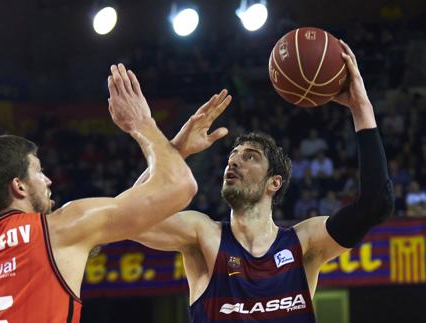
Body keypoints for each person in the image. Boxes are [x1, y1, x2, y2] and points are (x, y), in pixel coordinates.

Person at [132, 41, 394, 322]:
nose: (233, 161)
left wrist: (361, 106)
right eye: (232, 156)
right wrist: (176, 151)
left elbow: (376, 203)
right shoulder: (203, 236)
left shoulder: (303, 244)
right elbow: (130, 217)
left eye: (250, 157)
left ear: (274, 183)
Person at [0, 64, 198, 323]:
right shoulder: (60, 229)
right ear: (19, 186)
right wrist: (142, 124)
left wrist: (171, 154)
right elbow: (178, 186)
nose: (48, 180)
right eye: (39, 171)